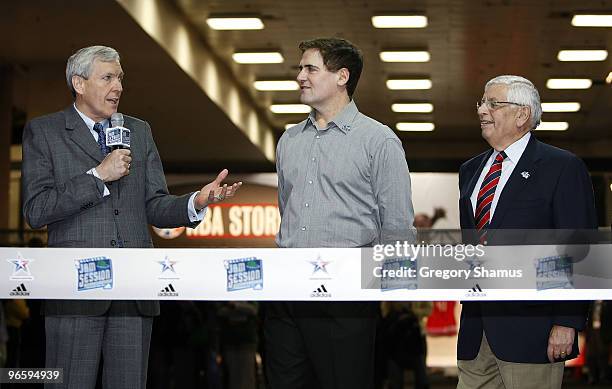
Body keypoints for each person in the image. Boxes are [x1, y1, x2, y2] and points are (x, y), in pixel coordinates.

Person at [21, 45, 242, 389]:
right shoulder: (44, 132)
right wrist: (97, 177)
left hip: (133, 294)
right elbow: (36, 210)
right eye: (107, 77)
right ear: (79, 83)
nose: (118, 87)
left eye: (120, 78)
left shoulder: (139, 132)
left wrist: (196, 201)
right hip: (76, 293)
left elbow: (154, 205)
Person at [267, 37, 415, 389]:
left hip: (346, 296)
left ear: (342, 77)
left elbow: (396, 226)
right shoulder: (289, 140)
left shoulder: (378, 141)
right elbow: (287, 212)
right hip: (286, 292)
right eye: (300, 68)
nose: (300, 76)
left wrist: (392, 294)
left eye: (310, 68)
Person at [456, 75, 597, 389]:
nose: (481, 110)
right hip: (475, 329)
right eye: (481, 102)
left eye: (493, 103)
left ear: (522, 115)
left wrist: (567, 321)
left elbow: (578, 248)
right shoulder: (470, 170)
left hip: (534, 328)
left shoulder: (562, 167)